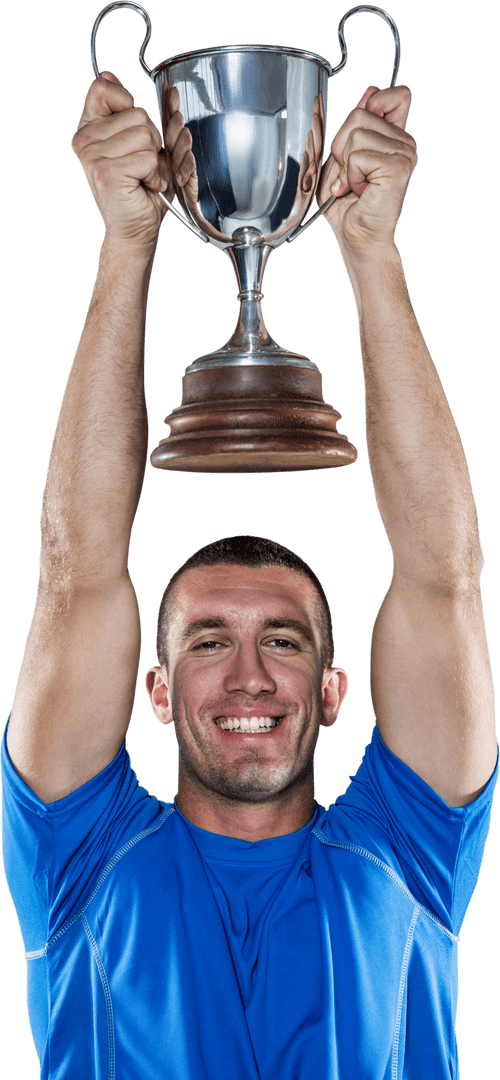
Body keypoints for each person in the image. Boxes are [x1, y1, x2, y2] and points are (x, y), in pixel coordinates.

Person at [1, 71, 497, 1079]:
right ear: (154, 689)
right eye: (206, 642)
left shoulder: (407, 855)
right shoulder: (76, 859)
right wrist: (126, 243)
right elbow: (74, 572)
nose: (248, 676)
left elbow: (442, 576)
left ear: (333, 688)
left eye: (282, 640)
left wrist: (370, 252)